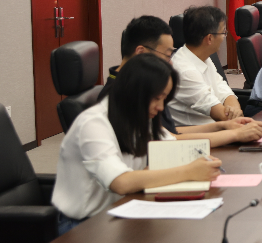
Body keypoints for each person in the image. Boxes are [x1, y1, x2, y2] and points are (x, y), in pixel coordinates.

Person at [52, 55, 223, 235]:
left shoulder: (136, 113)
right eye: (157, 98)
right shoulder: (92, 124)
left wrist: (204, 156)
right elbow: (120, 182)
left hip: (123, 207)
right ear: (134, 92)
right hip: (85, 225)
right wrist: (189, 171)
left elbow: (172, 147)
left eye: (164, 99)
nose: (161, 107)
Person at [99, 16, 262, 146]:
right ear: (141, 52)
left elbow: (168, 132)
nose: (171, 63)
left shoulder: (139, 85)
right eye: (167, 55)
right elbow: (165, 142)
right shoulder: (121, 94)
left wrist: (223, 127)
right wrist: (234, 134)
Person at [168, 6, 242, 126]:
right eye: (223, 32)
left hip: (219, 128)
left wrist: (235, 109)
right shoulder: (185, 70)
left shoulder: (203, 57)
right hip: (201, 135)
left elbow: (223, 89)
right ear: (209, 38)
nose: (224, 37)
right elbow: (221, 115)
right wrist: (235, 114)